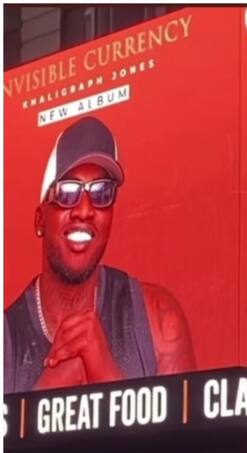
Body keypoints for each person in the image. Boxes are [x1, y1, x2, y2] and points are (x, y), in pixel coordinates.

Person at [4, 116, 196, 393]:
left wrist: (105, 373)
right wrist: (43, 397)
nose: (84, 210)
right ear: (39, 220)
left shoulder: (158, 321)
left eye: (101, 192)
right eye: (67, 192)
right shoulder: (6, 342)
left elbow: (190, 437)